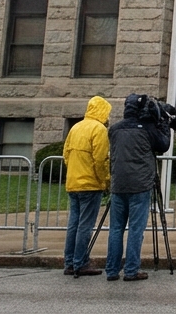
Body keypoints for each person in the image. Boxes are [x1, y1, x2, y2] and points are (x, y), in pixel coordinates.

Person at [105, 93, 171, 281]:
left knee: (116, 229)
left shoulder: (115, 129)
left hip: (118, 184)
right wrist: (164, 123)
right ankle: (131, 270)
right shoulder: (147, 129)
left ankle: (111, 270)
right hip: (140, 185)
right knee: (135, 229)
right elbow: (163, 145)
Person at [62, 95, 111, 277]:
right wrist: (105, 181)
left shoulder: (76, 127)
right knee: (85, 225)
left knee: (73, 223)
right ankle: (81, 262)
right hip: (90, 184)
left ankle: (69, 262)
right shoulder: (99, 129)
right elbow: (100, 160)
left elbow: (66, 154)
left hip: (73, 182)